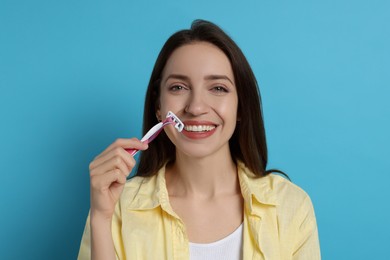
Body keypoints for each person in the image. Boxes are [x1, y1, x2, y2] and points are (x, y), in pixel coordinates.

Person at [78, 19, 321, 260]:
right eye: (178, 87)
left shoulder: (291, 207)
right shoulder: (116, 208)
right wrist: (101, 218)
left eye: (218, 88)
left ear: (241, 108)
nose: (195, 108)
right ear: (158, 107)